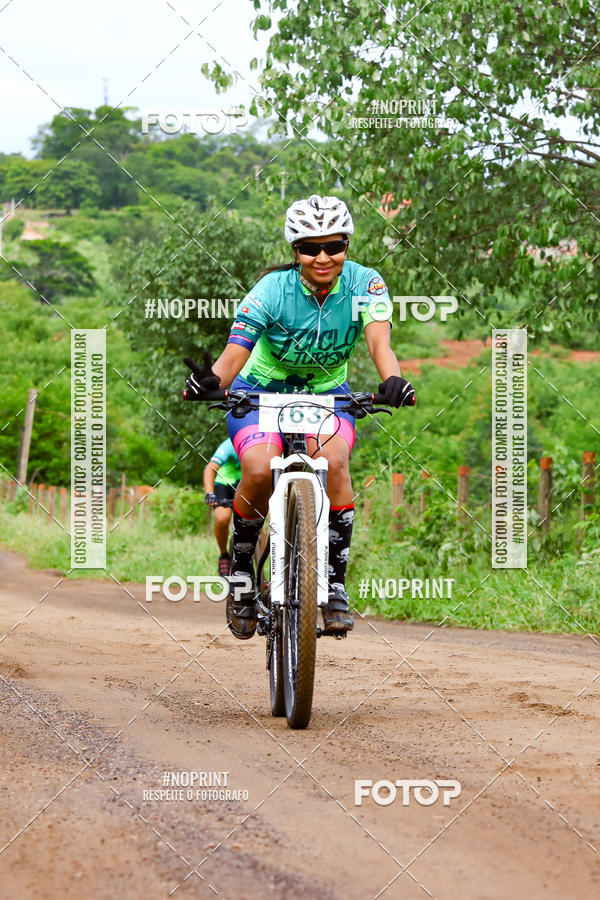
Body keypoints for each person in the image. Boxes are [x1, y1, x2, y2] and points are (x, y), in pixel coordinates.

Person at [185, 194, 415, 640]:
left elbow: (379, 343)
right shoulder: (271, 290)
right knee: (255, 468)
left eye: (334, 245)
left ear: (347, 244)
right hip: (260, 392)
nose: (323, 256)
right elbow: (236, 354)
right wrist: (212, 381)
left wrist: (393, 380)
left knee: (336, 463)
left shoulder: (366, 284)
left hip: (327, 394)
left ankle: (333, 584)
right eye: (311, 248)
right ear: (295, 251)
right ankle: (243, 571)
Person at [203, 438, 241, 577]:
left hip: (248, 483)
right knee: (222, 518)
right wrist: (209, 493)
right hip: (225, 483)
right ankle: (224, 555)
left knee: (258, 526)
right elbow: (210, 468)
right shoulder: (231, 443)